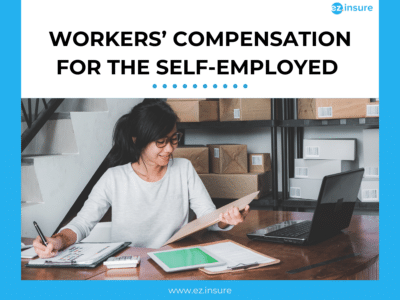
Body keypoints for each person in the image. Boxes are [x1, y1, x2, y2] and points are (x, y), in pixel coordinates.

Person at [33, 99, 250, 258]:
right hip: (128, 263)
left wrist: (225, 219)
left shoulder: (184, 169)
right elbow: (82, 223)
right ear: (138, 141)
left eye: (174, 138)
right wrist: (59, 240)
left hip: (174, 259)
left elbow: (207, 217)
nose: (170, 148)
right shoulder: (114, 178)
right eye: (161, 142)